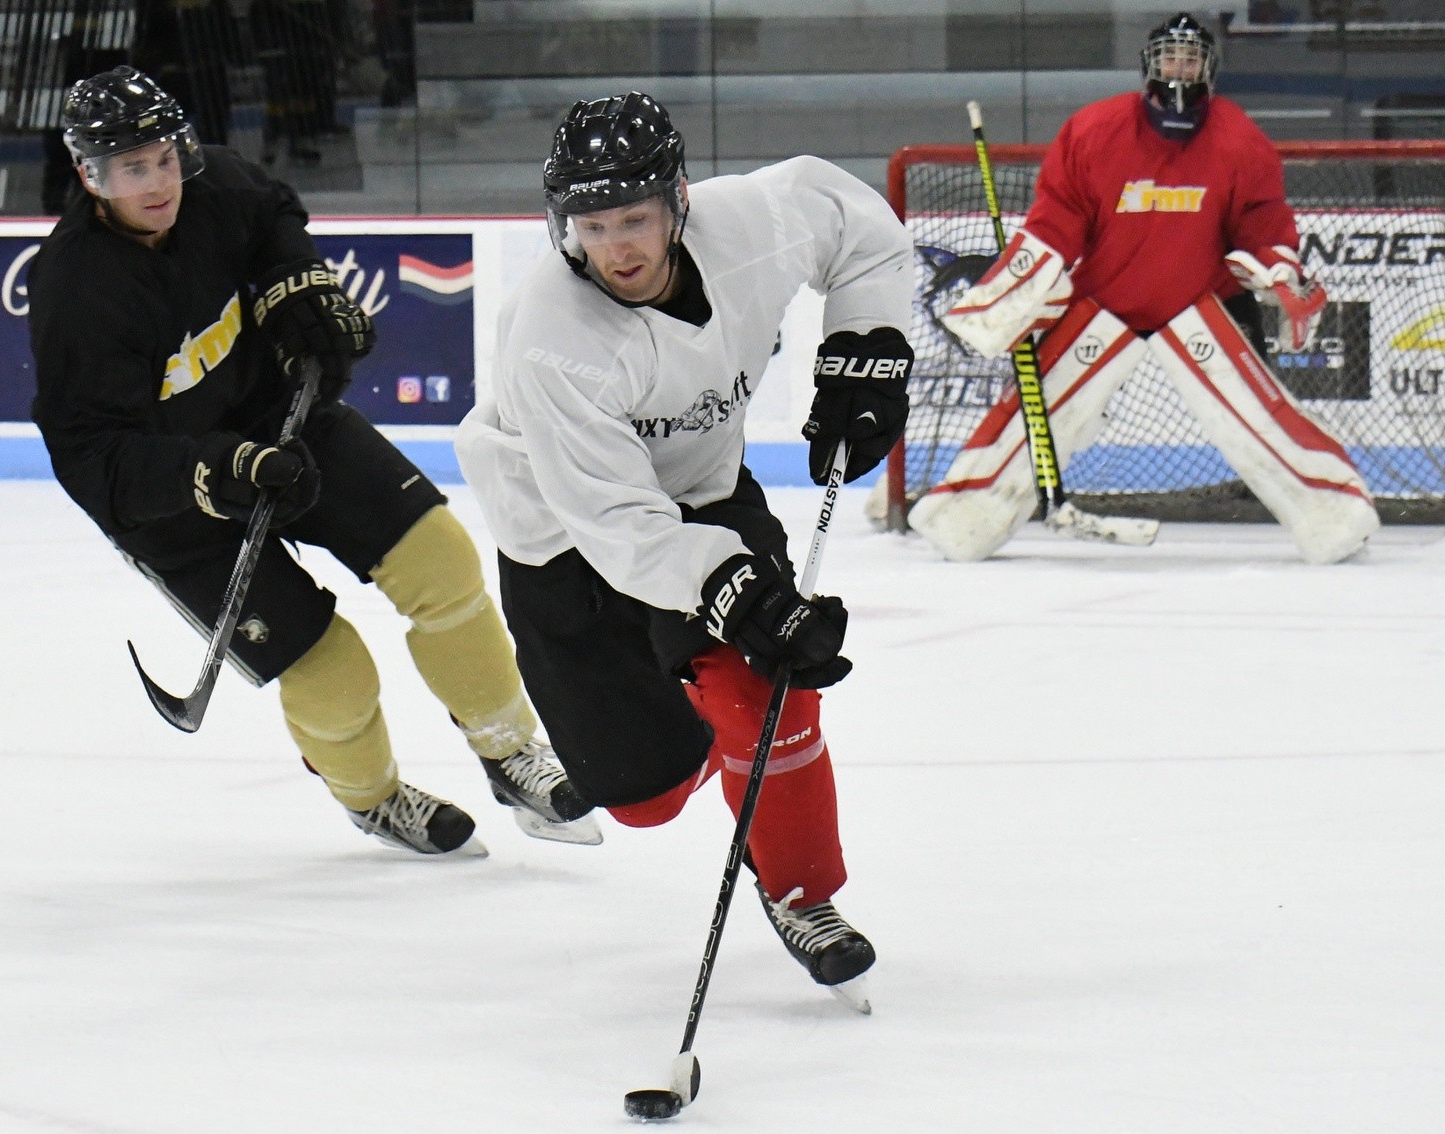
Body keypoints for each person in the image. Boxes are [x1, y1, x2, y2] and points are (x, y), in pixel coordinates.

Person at [29, 66, 601, 857]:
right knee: (330, 665)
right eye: (134, 168)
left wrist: (300, 291)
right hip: (179, 509)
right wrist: (216, 470)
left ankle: (509, 751)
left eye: (165, 157)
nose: (160, 180)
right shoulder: (75, 289)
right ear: (91, 176)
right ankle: (372, 798)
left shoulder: (216, 185)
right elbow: (91, 457)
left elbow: (273, 218)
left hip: (284, 420)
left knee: (441, 559)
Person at [455, 92, 913, 989]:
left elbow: (859, 225)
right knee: (646, 797)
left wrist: (868, 343)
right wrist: (734, 588)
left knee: (769, 686)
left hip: (702, 493)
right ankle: (699, 729)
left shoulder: (754, 223)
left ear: (679, 200)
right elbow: (617, 525)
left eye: (634, 217)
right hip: (562, 534)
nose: (617, 245)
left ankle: (801, 891)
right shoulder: (550, 337)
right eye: (592, 223)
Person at [916, 12, 1379, 564]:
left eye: (1190, 58)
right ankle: (962, 518)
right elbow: (1055, 222)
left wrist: (1277, 269)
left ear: (1208, 68)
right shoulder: (1094, 130)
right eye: (1169, 57)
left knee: (1258, 419)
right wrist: (1007, 294)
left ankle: (1337, 513)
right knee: (1032, 416)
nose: (1178, 69)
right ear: (1149, 64)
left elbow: (1264, 222)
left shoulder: (1240, 139)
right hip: (1106, 299)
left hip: (1197, 302)